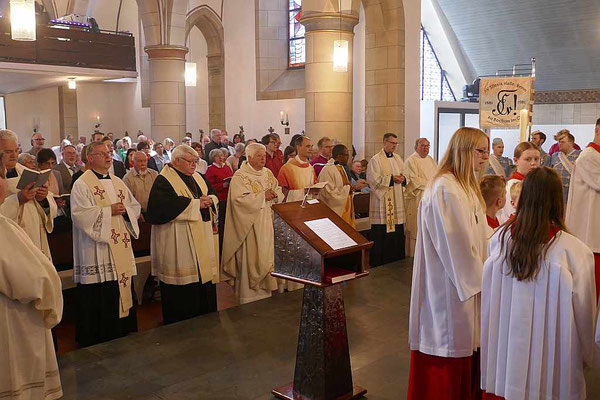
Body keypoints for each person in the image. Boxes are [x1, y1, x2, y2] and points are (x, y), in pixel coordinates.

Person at [481, 167, 596, 400]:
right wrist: (589, 355)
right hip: (552, 361)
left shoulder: (499, 240)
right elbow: (585, 316)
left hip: (506, 353)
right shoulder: (574, 251)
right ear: (558, 201)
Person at [408, 127, 490, 400]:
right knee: (451, 345)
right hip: (450, 289)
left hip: (465, 285)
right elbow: (459, 252)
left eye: (486, 151)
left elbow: (481, 235)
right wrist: (489, 279)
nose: (485, 157)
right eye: (481, 151)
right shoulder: (446, 189)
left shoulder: (464, 185)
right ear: (463, 151)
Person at [0, 160, 64, 400]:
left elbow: (48, 214)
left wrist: (41, 199)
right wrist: (51, 299)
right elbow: (29, 280)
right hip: (14, 309)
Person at [70, 141, 141, 346]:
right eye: (102, 154)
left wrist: (125, 210)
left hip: (120, 243)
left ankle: (122, 327)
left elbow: (133, 206)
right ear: (90, 158)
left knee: (119, 283)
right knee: (100, 289)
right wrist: (108, 210)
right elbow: (80, 215)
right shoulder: (82, 184)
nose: (108, 157)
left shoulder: (118, 181)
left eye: (109, 153)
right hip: (96, 247)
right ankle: (97, 334)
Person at [145, 145, 219, 324]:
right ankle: (181, 323)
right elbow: (160, 208)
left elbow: (213, 195)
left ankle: (206, 318)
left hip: (200, 235)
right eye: (190, 161)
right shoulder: (163, 181)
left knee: (203, 282)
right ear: (176, 161)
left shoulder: (198, 177)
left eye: (196, 161)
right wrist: (196, 205)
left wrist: (210, 200)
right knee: (183, 289)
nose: (194, 165)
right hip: (178, 240)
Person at [221, 143, 283, 304]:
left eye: (264, 155)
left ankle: (265, 291)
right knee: (251, 257)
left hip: (267, 223)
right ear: (249, 158)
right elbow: (238, 201)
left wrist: (275, 195)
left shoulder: (268, 173)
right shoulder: (240, 177)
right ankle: (248, 297)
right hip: (249, 226)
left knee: (266, 256)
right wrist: (262, 196)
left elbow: (278, 190)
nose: (263, 158)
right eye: (259, 156)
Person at [0, 130, 57, 259]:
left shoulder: (25, 171)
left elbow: (47, 204)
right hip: (11, 241)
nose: (14, 155)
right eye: (8, 151)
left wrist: (42, 198)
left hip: (35, 235)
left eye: (16, 150)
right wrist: (18, 199)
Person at [566, 118, 600, 299]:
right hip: (590, 235)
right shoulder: (589, 156)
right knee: (591, 291)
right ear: (597, 131)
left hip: (595, 233)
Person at [366, 133, 407, 266]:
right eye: (392, 143)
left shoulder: (398, 158)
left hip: (397, 201)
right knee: (381, 231)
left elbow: (405, 174)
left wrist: (403, 179)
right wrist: (391, 179)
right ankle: (380, 261)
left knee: (397, 230)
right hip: (382, 204)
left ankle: (396, 260)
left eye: (396, 143)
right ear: (384, 142)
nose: (394, 146)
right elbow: (373, 180)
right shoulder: (375, 160)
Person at [404, 138, 437, 256]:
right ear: (416, 147)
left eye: (428, 146)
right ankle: (413, 256)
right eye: (423, 146)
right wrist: (430, 184)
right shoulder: (411, 161)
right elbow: (413, 180)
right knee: (416, 229)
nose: (426, 148)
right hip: (417, 198)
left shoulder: (431, 160)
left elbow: (437, 176)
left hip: (431, 197)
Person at [498, 142, 540, 223]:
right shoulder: (512, 186)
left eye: (536, 159)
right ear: (516, 161)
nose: (533, 163)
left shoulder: (534, 184)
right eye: (528, 159)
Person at [318, 144, 355, 227]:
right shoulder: (328, 170)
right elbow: (329, 194)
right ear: (339, 156)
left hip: (346, 209)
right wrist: (347, 189)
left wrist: (350, 189)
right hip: (335, 212)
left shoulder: (340, 167)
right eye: (346, 155)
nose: (348, 157)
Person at [206, 148, 234, 257]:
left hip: (228, 197)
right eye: (218, 156)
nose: (221, 158)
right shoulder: (211, 169)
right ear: (214, 158)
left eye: (222, 156)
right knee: (221, 223)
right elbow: (210, 186)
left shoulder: (226, 167)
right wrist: (222, 185)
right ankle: (220, 245)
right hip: (219, 199)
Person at [277, 136, 318, 202]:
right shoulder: (287, 168)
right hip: (293, 207)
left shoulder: (310, 168)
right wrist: (302, 192)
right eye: (308, 146)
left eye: (311, 146)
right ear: (298, 147)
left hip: (309, 206)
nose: (311, 149)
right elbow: (281, 192)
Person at [549, 130, 581, 204]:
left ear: (571, 142)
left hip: (572, 193)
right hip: (556, 193)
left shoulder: (580, 155)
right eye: (558, 142)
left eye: (562, 142)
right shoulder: (555, 156)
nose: (559, 144)